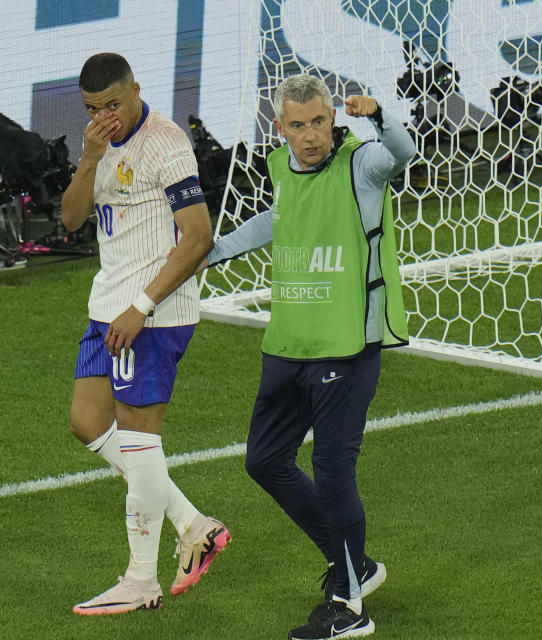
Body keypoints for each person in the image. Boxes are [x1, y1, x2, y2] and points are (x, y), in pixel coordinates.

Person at [204, 74, 415, 639]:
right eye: (298, 125)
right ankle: (357, 568)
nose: (311, 135)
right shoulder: (281, 167)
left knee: (331, 471)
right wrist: (215, 250)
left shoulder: (361, 163)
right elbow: (281, 220)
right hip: (289, 343)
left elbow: (404, 151)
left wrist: (379, 114)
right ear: (282, 128)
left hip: (346, 347)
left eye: (319, 121)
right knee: (264, 460)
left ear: (332, 119)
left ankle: (350, 609)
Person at [60, 52, 230, 616]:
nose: (104, 116)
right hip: (107, 305)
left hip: (151, 313)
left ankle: (140, 579)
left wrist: (142, 305)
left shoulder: (166, 143)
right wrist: (87, 160)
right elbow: (70, 220)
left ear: (136, 88)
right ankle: (193, 525)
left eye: (112, 103)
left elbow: (198, 236)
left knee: (138, 440)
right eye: (92, 108)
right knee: (87, 421)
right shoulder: (95, 144)